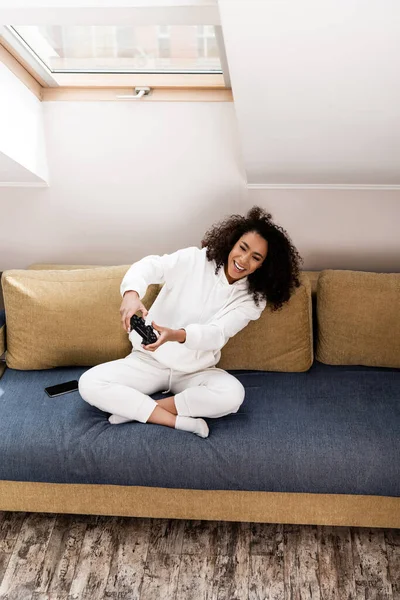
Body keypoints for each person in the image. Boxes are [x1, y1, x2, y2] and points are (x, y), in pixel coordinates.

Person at [78, 206, 303, 438]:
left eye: (255, 258)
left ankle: (137, 410)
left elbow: (217, 334)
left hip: (195, 372)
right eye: (242, 248)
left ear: (263, 265)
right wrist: (132, 294)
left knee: (232, 395)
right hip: (148, 360)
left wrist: (176, 335)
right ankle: (177, 422)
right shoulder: (195, 259)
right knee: (89, 383)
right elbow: (151, 266)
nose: (243, 260)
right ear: (232, 243)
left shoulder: (253, 300)